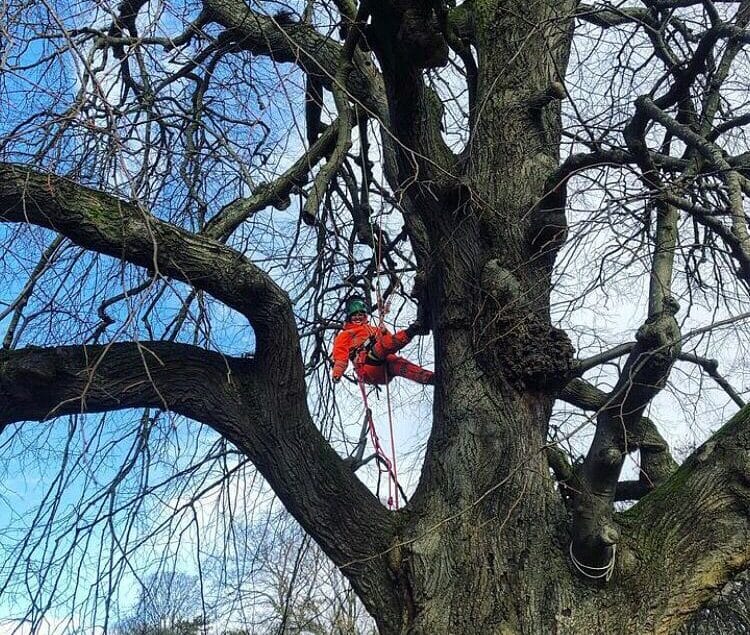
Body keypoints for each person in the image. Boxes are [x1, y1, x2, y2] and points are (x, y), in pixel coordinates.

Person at [331, 297, 434, 386]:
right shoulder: (345, 334)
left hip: (384, 367)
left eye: (360, 314)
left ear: (364, 316)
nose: (358, 317)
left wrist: (384, 332)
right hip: (367, 367)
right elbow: (340, 356)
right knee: (381, 348)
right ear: (349, 317)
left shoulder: (374, 329)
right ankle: (414, 329)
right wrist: (337, 373)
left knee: (401, 364)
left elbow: (391, 343)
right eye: (354, 315)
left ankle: (431, 378)